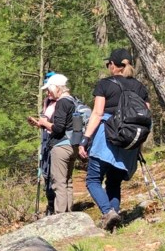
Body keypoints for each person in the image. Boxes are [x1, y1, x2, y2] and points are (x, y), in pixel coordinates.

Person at [77, 48, 150, 232]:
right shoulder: (140, 87)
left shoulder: (105, 84)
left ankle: (108, 212)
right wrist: (138, 145)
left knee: (93, 179)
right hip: (129, 141)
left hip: (106, 136)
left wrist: (85, 139)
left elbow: (97, 113)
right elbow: (146, 117)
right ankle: (114, 221)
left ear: (112, 65)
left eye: (108, 63)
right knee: (114, 182)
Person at [27, 73, 79, 214]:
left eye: (49, 90)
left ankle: (60, 215)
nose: (48, 93)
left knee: (59, 183)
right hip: (72, 145)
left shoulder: (62, 102)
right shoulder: (72, 100)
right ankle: (69, 213)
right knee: (67, 182)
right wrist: (42, 125)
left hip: (60, 146)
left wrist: (44, 122)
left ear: (57, 88)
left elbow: (58, 128)